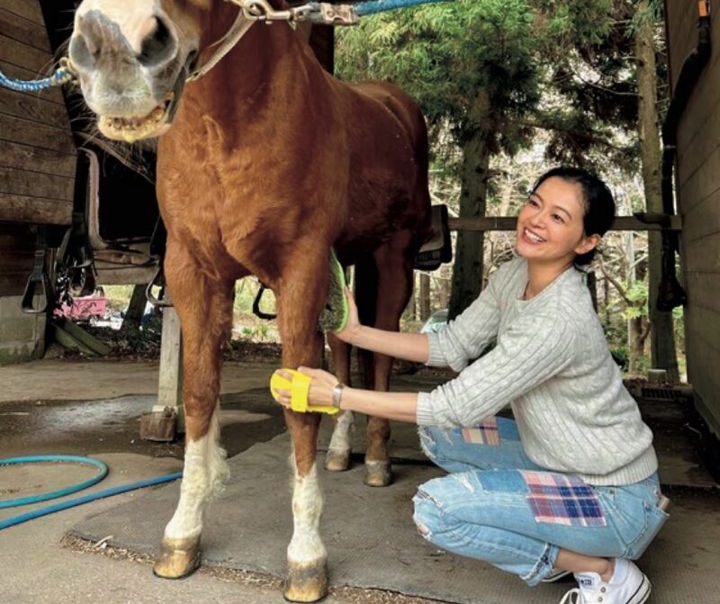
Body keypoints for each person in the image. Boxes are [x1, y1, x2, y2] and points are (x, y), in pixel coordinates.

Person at [274, 167, 668, 604]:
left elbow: (454, 404)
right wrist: (356, 333)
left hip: (613, 497)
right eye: (535, 203)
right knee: (439, 434)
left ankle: (602, 568)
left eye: (558, 217)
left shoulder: (559, 320)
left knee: (438, 512)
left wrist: (337, 396)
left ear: (585, 242)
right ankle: (561, 535)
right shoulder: (517, 274)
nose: (536, 220)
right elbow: (451, 345)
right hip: (563, 463)